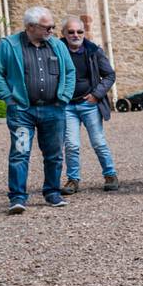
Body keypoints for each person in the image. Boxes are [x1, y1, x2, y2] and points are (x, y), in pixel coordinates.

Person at [0, 6, 76, 213]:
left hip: (53, 110)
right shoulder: (9, 45)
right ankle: (18, 198)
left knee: (54, 154)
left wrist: (63, 98)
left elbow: (70, 72)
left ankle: (52, 193)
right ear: (30, 27)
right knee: (20, 153)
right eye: (47, 27)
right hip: (22, 111)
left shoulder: (57, 46)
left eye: (53, 27)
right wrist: (9, 99)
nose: (52, 31)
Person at [60, 17, 118, 194]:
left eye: (79, 32)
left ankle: (110, 175)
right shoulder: (56, 51)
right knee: (71, 145)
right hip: (67, 106)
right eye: (71, 32)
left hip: (89, 105)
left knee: (98, 142)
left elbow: (109, 75)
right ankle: (73, 180)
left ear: (84, 33)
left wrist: (96, 95)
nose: (75, 35)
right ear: (63, 34)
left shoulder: (94, 51)